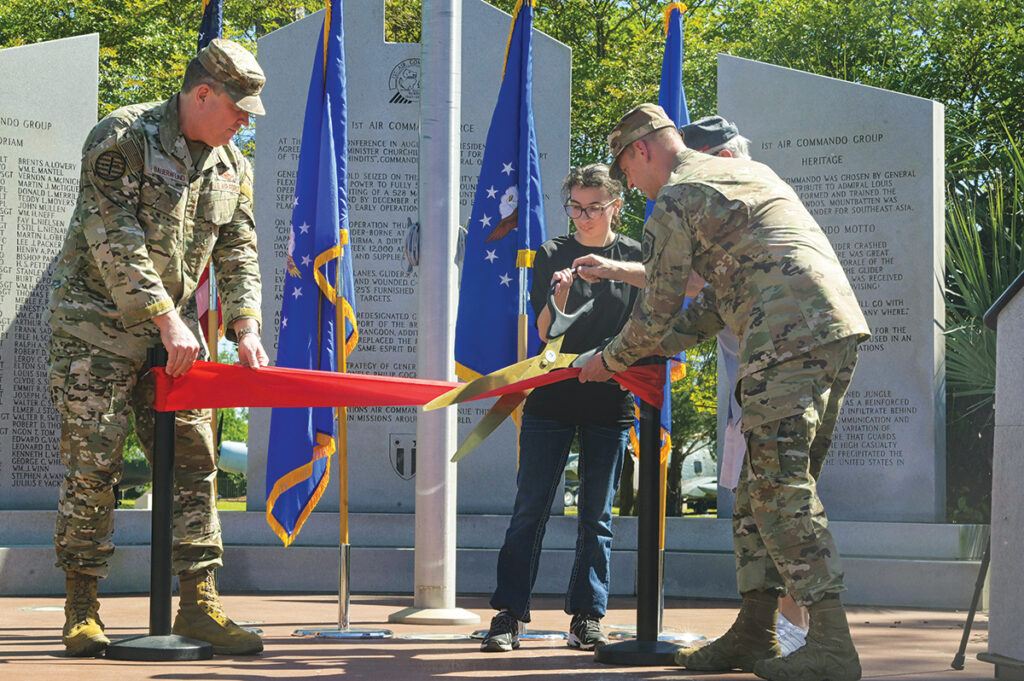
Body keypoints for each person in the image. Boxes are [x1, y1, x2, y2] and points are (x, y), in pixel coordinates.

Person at [579, 103, 870, 681]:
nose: (630, 185)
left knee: (781, 487)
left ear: (642, 149)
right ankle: (755, 630)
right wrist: (660, 347)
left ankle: (833, 644)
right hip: (825, 330)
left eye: (626, 170)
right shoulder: (746, 173)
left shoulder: (677, 197)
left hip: (784, 338)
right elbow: (716, 297)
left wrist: (610, 359)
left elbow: (658, 304)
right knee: (764, 486)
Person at [46, 38, 270, 657]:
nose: (245, 121)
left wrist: (246, 327)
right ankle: (82, 610)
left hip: (177, 344)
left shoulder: (232, 165)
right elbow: (110, 234)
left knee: (196, 461)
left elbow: (238, 250)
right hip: (97, 332)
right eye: (239, 108)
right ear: (202, 94)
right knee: (95, 468)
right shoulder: (125, 137)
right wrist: (165, 316)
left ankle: (199, 606)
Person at [481, 164, 641, 653]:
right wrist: (563, 297)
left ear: (616, 206)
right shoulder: (553, 253)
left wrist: (612, 361)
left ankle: (588, 617)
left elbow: (649, 321)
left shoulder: (635, 256)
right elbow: (546, 331)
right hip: (550, 399)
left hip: (611, 399)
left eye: (594, 207)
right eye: (575, 206)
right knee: (529, 511)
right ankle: (509, 615)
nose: (583, 216)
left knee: (597, 516)